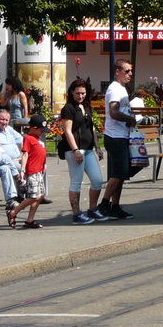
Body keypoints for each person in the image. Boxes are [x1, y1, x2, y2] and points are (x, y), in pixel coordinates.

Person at [58, 78, 107, 224]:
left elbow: (91, 128)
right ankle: (77, 214)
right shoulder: (68, 108)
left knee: (97, 180)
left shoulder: (87, 107)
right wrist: (75, 150)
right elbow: (67, 131)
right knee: (76, 182)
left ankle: (92, 209)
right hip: (75, 150)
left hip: (89, 149)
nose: (81, 96)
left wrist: (97, 146)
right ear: (72, 92)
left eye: (83, 93)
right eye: (78, 93)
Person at [97, 59, 136, 220]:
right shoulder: (114, 89)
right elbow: (113, 112)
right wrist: (130, 119)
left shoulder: (122, 88)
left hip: (122, 135)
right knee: (119, 172)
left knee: (121, 173)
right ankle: (104, 204)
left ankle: (115, 206)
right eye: (127, 71)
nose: (130, 74)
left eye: (131, 71)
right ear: (118, 72)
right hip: (115, 136)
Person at [7, 116, 49, 229]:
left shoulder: (38, 139)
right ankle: (13, 212)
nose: (42, 132)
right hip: (32, 171)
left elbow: (41, 154)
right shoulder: (28, 138)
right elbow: (25, 154)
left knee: (40, 196)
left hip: (39, 171)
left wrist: (44, 165)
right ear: (34, 128)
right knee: (33, 197)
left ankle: (30, 219)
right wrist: (23, 170)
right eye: (41, 130)